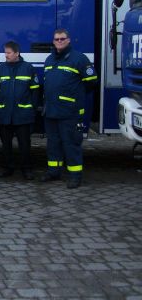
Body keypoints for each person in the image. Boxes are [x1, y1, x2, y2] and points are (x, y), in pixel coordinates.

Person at [41, 29, 97, 189]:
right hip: (51, 111)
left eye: (62, 39)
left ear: (68, 40)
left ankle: (75, 176)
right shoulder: (49, 60)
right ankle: (54, 171)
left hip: (70, 112)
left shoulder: (79, 59)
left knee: (71, 144)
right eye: (56, 39)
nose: (59, 41)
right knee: (53, 144)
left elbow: (91, 81)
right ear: (53, 41)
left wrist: (75, 97)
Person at [0, 41, 39, 180]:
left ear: (17, 53)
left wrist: (31, 110)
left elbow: (35, 92)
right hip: (5, 115)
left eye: (8, 53)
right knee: (6, 145)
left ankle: (27, 169)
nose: (6, 55)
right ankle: (7, 168)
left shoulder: (28, 68)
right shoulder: (1, 68)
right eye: (5, 52)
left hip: (23, 115)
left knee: (24, 145)